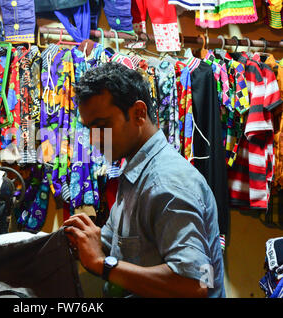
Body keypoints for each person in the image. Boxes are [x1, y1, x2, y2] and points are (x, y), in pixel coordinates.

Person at [63, 62, 225, 298]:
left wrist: (102, 264)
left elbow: (197, 284)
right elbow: (115, 244)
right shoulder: (135, 170)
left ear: (139, 113)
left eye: (101, 127)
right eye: (90, 129)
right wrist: (81, 240)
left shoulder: (168, 183)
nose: (95, 140)